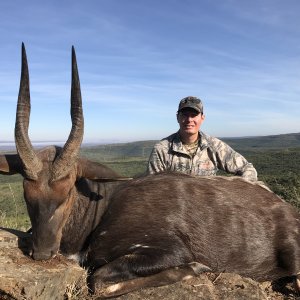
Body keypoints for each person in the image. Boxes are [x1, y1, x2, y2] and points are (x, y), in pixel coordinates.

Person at [147, 96, 257, 181]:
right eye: (184, 115)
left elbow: (247, 168)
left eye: (194, 115)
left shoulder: (215, 146)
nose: (189, 119)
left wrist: (235, 193)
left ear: (202, 118)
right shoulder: (161, 149)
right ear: (177, 117)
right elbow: (153, 187)